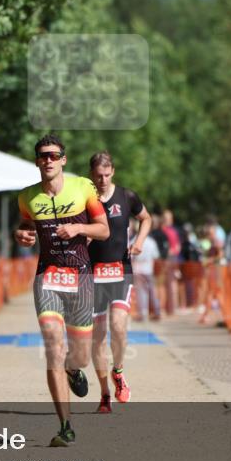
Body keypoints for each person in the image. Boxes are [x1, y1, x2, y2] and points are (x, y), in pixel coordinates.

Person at [16, 134, 109, 446]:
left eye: (54, 155)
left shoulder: (83, 187)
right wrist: (22, 235)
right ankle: (65, 426)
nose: (48, 160)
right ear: (36, 161)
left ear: (63, 160)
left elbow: (104, 229)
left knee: (79, 356)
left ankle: (73, 368)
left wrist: (79, 228)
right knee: (54, 347)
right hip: (48, 277)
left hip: (81, 277)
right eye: (43, 155)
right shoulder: (27, 197)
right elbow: (27, 227)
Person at [86, 151, 151, 413]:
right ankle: (104, 394)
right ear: (92, 175)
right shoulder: (85, 200)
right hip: (92, 274)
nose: (102, 180)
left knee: (118, 326)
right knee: (98, 336)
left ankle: (119, 371)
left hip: (120, 270)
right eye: (98, 176)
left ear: (112, 171)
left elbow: (146, 218)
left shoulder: (127, 196)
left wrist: (139, 241)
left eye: (106, 175)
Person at [131, 220, 161, 322]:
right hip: (148, 268)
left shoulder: (134, 240)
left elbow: (131, 256)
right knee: (152, 291)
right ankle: (156, 311)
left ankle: (143, 313)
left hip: (138, 269)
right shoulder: (151, 242)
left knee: (141, 292)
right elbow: (156, 256)